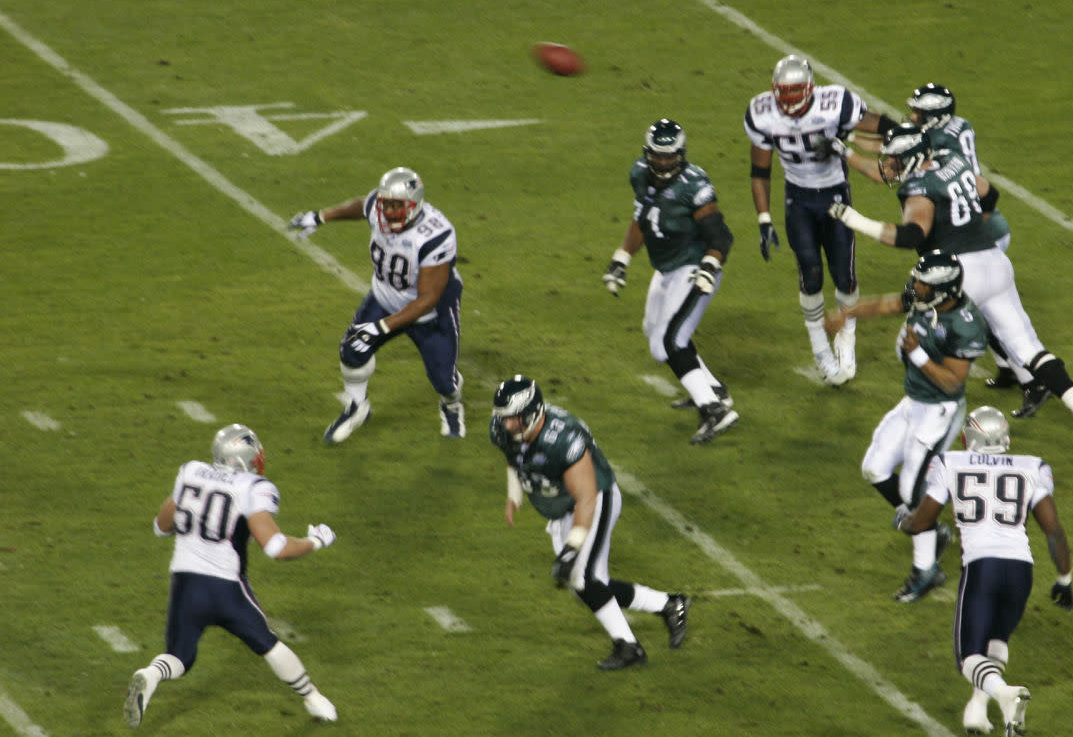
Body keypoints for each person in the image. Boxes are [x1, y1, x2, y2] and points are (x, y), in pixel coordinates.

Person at [826, 124, 1073, 452]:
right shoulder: (953, 159)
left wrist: (854, 220)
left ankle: (929, 427)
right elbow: (989, 194)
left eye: (895, 160)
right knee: (1030, 350)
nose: (890, 167)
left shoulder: (918, 187)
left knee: (907, 342)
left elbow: (913, 236)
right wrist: (968, 230)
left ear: (912, 157)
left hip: (958, 272)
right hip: (994, 261)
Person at [124, 424, 338, 728]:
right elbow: (277, 547)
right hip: (225, 587)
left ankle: (151, 674)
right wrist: (316, 541)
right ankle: (314, 699)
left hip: (185, 583)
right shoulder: (252, 488)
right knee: (268, 644)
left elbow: (161, 526)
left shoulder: (191, 472)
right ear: (246, 458)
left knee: (181, 656)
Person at [489, 375, 691, 669]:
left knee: (580, 577)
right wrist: (514, 494)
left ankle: (629, 646)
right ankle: (669, 605)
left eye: (514, 419)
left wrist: (572, 548)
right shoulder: (505, 428)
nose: (507, 425)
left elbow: (586, 497)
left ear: (533, 413)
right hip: (562, 507)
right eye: (504, 418)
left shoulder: (563, 438)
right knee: (591, 584)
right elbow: (512, 455)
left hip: (595, 499)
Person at [900, 406, 1073, 737]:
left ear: (969, 436)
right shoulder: (1032, 466)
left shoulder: (951, 462)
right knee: (996, 640)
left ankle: (1006, 695)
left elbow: (922, 522)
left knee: (968, 657)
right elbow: (1053, 530)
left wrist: (904, 521)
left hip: (983, 566)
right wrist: (1064, 578)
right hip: (1021, 569)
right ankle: (982, 712)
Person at [825, 251, 989, 602]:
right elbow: (887, 305)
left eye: (923, 283)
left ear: (944, 290)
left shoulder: (967, 323)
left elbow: (952, 384)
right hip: (913, 401)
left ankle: (926, 568)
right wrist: (846, 314)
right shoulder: (923, 299)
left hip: (940, 411)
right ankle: (929, 527)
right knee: (874, 468)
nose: (916, 287)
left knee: (913, 487)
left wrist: (917, 355)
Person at [744, 54, 902, 385]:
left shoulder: (835, 103)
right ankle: (819, 346)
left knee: (844, 274)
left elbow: (880, 126)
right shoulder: (761, 113)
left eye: (794, 92)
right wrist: (763, 218)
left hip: (834, 196)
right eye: (782, 94)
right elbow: (760, 170)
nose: (788, 101)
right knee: (810, 270)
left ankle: (847, 334)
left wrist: (895, 134)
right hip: (798, 198)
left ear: (811, 88)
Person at [289, 167, 465, 442]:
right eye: (386, 203)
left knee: (444, 381)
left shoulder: (435, 235)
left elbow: (427, 298)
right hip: (384, 297)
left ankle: (452, 405)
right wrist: (321, 216)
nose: (389, 211)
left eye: (397, 205)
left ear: (414, 204)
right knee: (351, 351)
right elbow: (363, 205)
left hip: (430, 312)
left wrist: (380, 327)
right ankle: (357, 407)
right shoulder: (377, 206)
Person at [601, 118, 738, 445]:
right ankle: (713, 389)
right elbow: (642, 218)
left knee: (668, 341)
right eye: (658, 156)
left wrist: (709, 266)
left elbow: (720, 236)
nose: (663, 163)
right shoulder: (640, 174)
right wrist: (622, 259)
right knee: (654, 332)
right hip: (665, 268)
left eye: (670, 156)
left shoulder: (695, 185)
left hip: (695, 268)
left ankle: (714, 411)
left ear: (681, 154)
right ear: (648, 154)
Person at [905, 83, 1022, 395]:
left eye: (920, 113)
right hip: (979, 222)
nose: (914, 116)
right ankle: (1011, 367)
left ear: (936, 117)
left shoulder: (937, 145)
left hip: (977, 236)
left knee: (977, 308)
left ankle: (1027, 373)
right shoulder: (959, 127)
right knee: (983, 308)